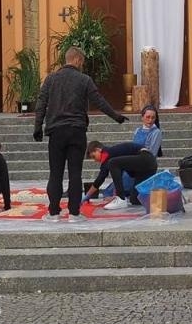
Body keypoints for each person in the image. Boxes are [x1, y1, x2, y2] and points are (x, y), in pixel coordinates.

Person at [33, 47, 127, 221]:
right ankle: (74, 213)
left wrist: (37, 127)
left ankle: (53, 212)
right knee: (75, 173)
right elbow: (99, 101)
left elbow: (41, 103)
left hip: (56, 131)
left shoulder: (51, 79)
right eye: (82, 61)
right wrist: (117, 117)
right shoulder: (84, 80)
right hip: (77, 131)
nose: (82, 65)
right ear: (76, 60)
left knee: (56, 173)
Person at [84, 139, 158, 207]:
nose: (95, 160)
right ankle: (160, 197)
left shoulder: (108, 153)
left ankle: (121, 199)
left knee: (112, 163)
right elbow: (113, 176)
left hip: (146, 158)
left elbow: (101, 178)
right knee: (135, 199)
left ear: (98, 149)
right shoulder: (111, 156)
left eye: (94, 156)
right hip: (145, 168)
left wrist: (87, 196)